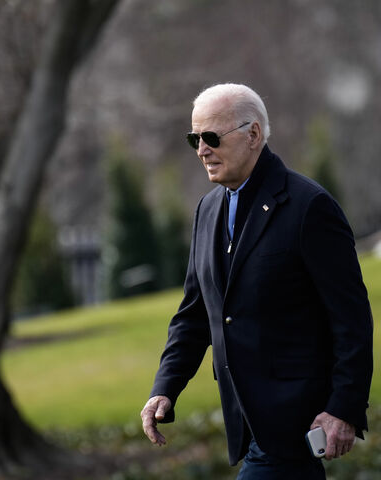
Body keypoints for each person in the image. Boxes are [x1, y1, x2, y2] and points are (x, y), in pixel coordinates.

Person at [140, 83, 373, 479]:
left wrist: (343, 409)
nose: (201, 149)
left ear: (253, 135)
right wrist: (165, 387)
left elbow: (351, 320)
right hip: (244, 421)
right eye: (194, 138)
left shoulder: (309, 207)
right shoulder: (207, 209)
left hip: (296, 422)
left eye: (211, 137)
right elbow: (195, 314)